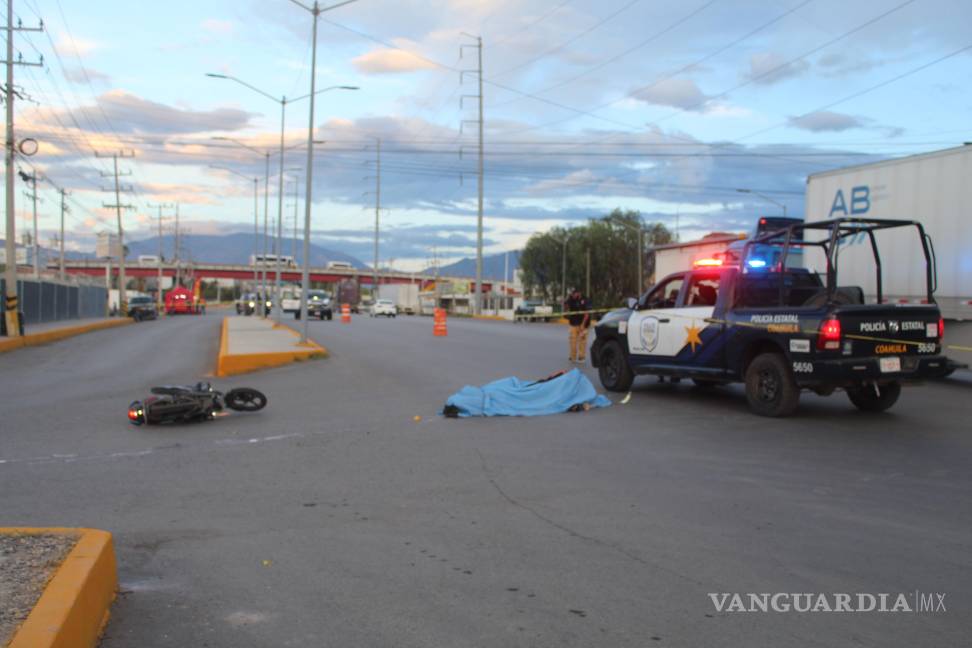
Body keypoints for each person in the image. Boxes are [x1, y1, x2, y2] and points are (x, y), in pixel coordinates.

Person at [564, 288, 591, 364]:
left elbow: (587, 313)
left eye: (574, 294)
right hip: (573, 323)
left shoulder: (586, 300)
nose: (573, 295)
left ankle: (581, 357)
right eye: (572, 294)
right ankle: (573, 356)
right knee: (572, 340)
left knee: (582, 341)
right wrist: (566, 303)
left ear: (578, 293)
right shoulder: (570, 299)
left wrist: (583, 325)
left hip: (584, 323)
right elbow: (566, 310)